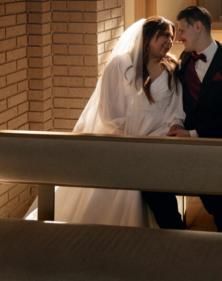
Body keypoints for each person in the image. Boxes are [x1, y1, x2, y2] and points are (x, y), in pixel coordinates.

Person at [26, 16, 185, 227]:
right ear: (147, 37)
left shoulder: (172, 68)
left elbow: (176, 107)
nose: (170, 41)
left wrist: (171, 128)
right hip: (124, 146)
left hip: (157, 148)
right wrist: (129, 145)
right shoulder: (120, 65)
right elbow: (109, 111)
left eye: (172, 37)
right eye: (165, 35)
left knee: (162, 201)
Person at [143, 6, 222, 233]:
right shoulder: (182, 62)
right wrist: (178, 125)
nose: (178, 38)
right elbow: (175, 101)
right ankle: (176, 233)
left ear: (198, 27)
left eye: (181, 31)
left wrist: (193, 134)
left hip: (218, 143)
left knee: (214, 194)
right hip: (185, 143)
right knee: (151, 180)